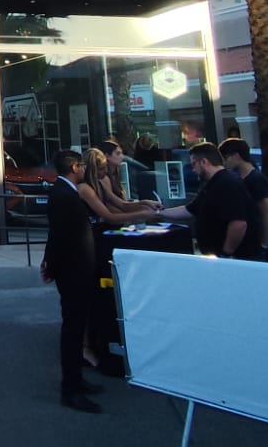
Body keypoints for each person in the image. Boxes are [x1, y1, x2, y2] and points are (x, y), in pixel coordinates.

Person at [39, 150, 103, 414]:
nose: (85, 170)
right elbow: (59, 236)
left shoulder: (65, 192)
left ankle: (76, 379)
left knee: (76, 326)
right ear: (75, 167)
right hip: (73, 271)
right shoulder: (63, 195)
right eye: (83, 166)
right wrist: (51, 265)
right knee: (73, 327)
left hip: (77, 268)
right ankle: (71, 388)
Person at [155, 143, 261, 260]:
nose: (193, 170)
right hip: (214, 254)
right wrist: (159, 213)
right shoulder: (211, 184)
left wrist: (226, 252)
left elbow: (238, 223)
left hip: (236, 258)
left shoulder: (227, 184)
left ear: (204, 162)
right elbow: (191, 209)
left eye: (194, 164)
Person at [219, 139, 268, 262]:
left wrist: (263, 243)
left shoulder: (256, 179)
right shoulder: (238, 178)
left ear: (236, 156)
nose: (224, 163)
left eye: (226, 158)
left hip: (259, 248)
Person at [77, 148, 158, 229]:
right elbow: (110, 217)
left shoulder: (100, 183)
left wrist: (144, 203)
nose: (106, 171)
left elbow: (122, 205)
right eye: (102, 168)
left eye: (106, 167)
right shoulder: (85, 189)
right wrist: (141, 214)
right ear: (92, 170)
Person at [99, 144, 162, 212]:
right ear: (107, 156)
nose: (122, 157)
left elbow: (123, 202)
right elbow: (115, 207)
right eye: (118, 154)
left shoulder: (117, 175)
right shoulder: (104, 178)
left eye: (122, 153)